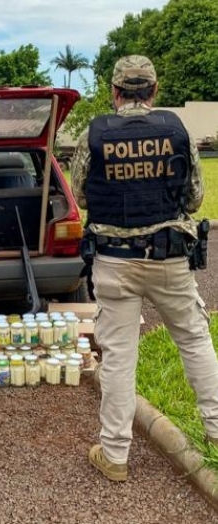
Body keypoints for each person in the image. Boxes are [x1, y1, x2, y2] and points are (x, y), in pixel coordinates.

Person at [71, 55, 218, 482]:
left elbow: (81, 195)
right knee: (193, 340)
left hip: (115, 261)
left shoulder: (94, 134)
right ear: (154, 91)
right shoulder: (176, 130)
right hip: (170, 258)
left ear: (115, 92)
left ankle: (115, 455)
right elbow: (192, 199)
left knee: (117, 358)